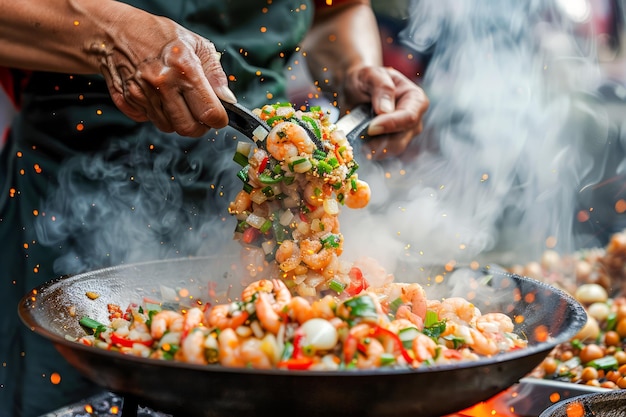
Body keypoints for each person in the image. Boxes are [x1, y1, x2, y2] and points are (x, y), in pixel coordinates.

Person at [0, 0, 428, 416]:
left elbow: (337, 8)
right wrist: (107, 33)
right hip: (66, 202)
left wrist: (356, 70)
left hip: (254, 177)